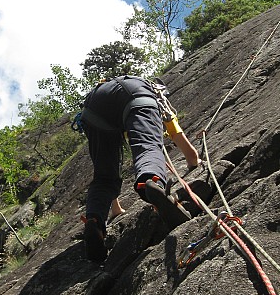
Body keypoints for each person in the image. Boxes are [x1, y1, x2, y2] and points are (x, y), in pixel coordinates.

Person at [76, 75, 201, 262]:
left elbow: (108, 177)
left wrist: (116, 210)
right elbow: (190, 155)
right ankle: (152, 182)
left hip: (93, 108)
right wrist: (196, 162)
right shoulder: (155, 95)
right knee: (148, 147)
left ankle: (94, 221)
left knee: (103, 177)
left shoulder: (106, 88)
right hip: (136, 96)